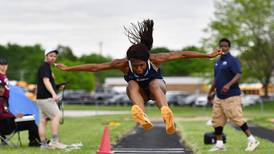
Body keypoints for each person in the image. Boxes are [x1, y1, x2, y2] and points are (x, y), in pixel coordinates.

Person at [56, 19, 222, 135]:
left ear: (147, 60)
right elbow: (95, 67)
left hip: (157, 89)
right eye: (135, 66)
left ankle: (166, 113)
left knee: (153, 84)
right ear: (130, 62)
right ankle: (141, 115)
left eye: (142, 65)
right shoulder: (122, 64)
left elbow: (183, 54)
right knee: (132, 84)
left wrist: (207, 55)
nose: (139, 68)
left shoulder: (156, 58)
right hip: (139, 95)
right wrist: (69, 68)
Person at [207, 38, 260, 152]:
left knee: (237, 118)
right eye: (221, 46)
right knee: (217, 120)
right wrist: (210, 92)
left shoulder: (232, 60)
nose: (223, 48)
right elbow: (216, 79)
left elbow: (238, 74)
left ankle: (252, 140)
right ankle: (219, 144)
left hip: (232, 95)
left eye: (225, 46)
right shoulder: (217, 61)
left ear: (229, 47)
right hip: (218, 96)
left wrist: (228, 85)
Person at [0, 57, 40, 146]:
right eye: (1, 65)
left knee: (30, 117)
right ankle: (35, 142)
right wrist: (14, 116)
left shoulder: (4, 78)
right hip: (7, 125)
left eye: (5, 65)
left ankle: (35, 141)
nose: (3, 67)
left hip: (8, 120)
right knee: (31, 120)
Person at [36, 48, 66, 149]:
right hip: (46, 98)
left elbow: (47, 84)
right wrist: (54, 94)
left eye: (54, 56)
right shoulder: (44, 67)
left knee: (43, 121)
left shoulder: (46, 67)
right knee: (57, 116)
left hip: (41, 98)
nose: (53, 58)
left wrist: (57, 86)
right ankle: (54, 141)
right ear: (46, 56)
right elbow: (46, 82)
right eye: (51, 56)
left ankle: (44, 144)